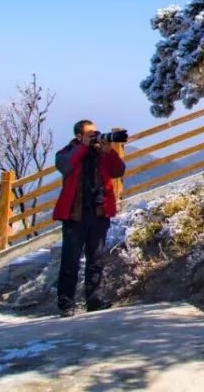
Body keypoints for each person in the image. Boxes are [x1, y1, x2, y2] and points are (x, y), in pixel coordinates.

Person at [51, 119, 127, 317]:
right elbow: (66, 166)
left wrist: (109, 150)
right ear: (79, 136)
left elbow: (118, 171)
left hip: (98, 212)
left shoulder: (101, 153)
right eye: (90, 133)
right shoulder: (65, 153)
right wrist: (84, 147)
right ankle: (66, 303)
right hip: (74, 214)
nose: (95, 136)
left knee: (96, 259)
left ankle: (94, 300)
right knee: (71, 260)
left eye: (96, 132)